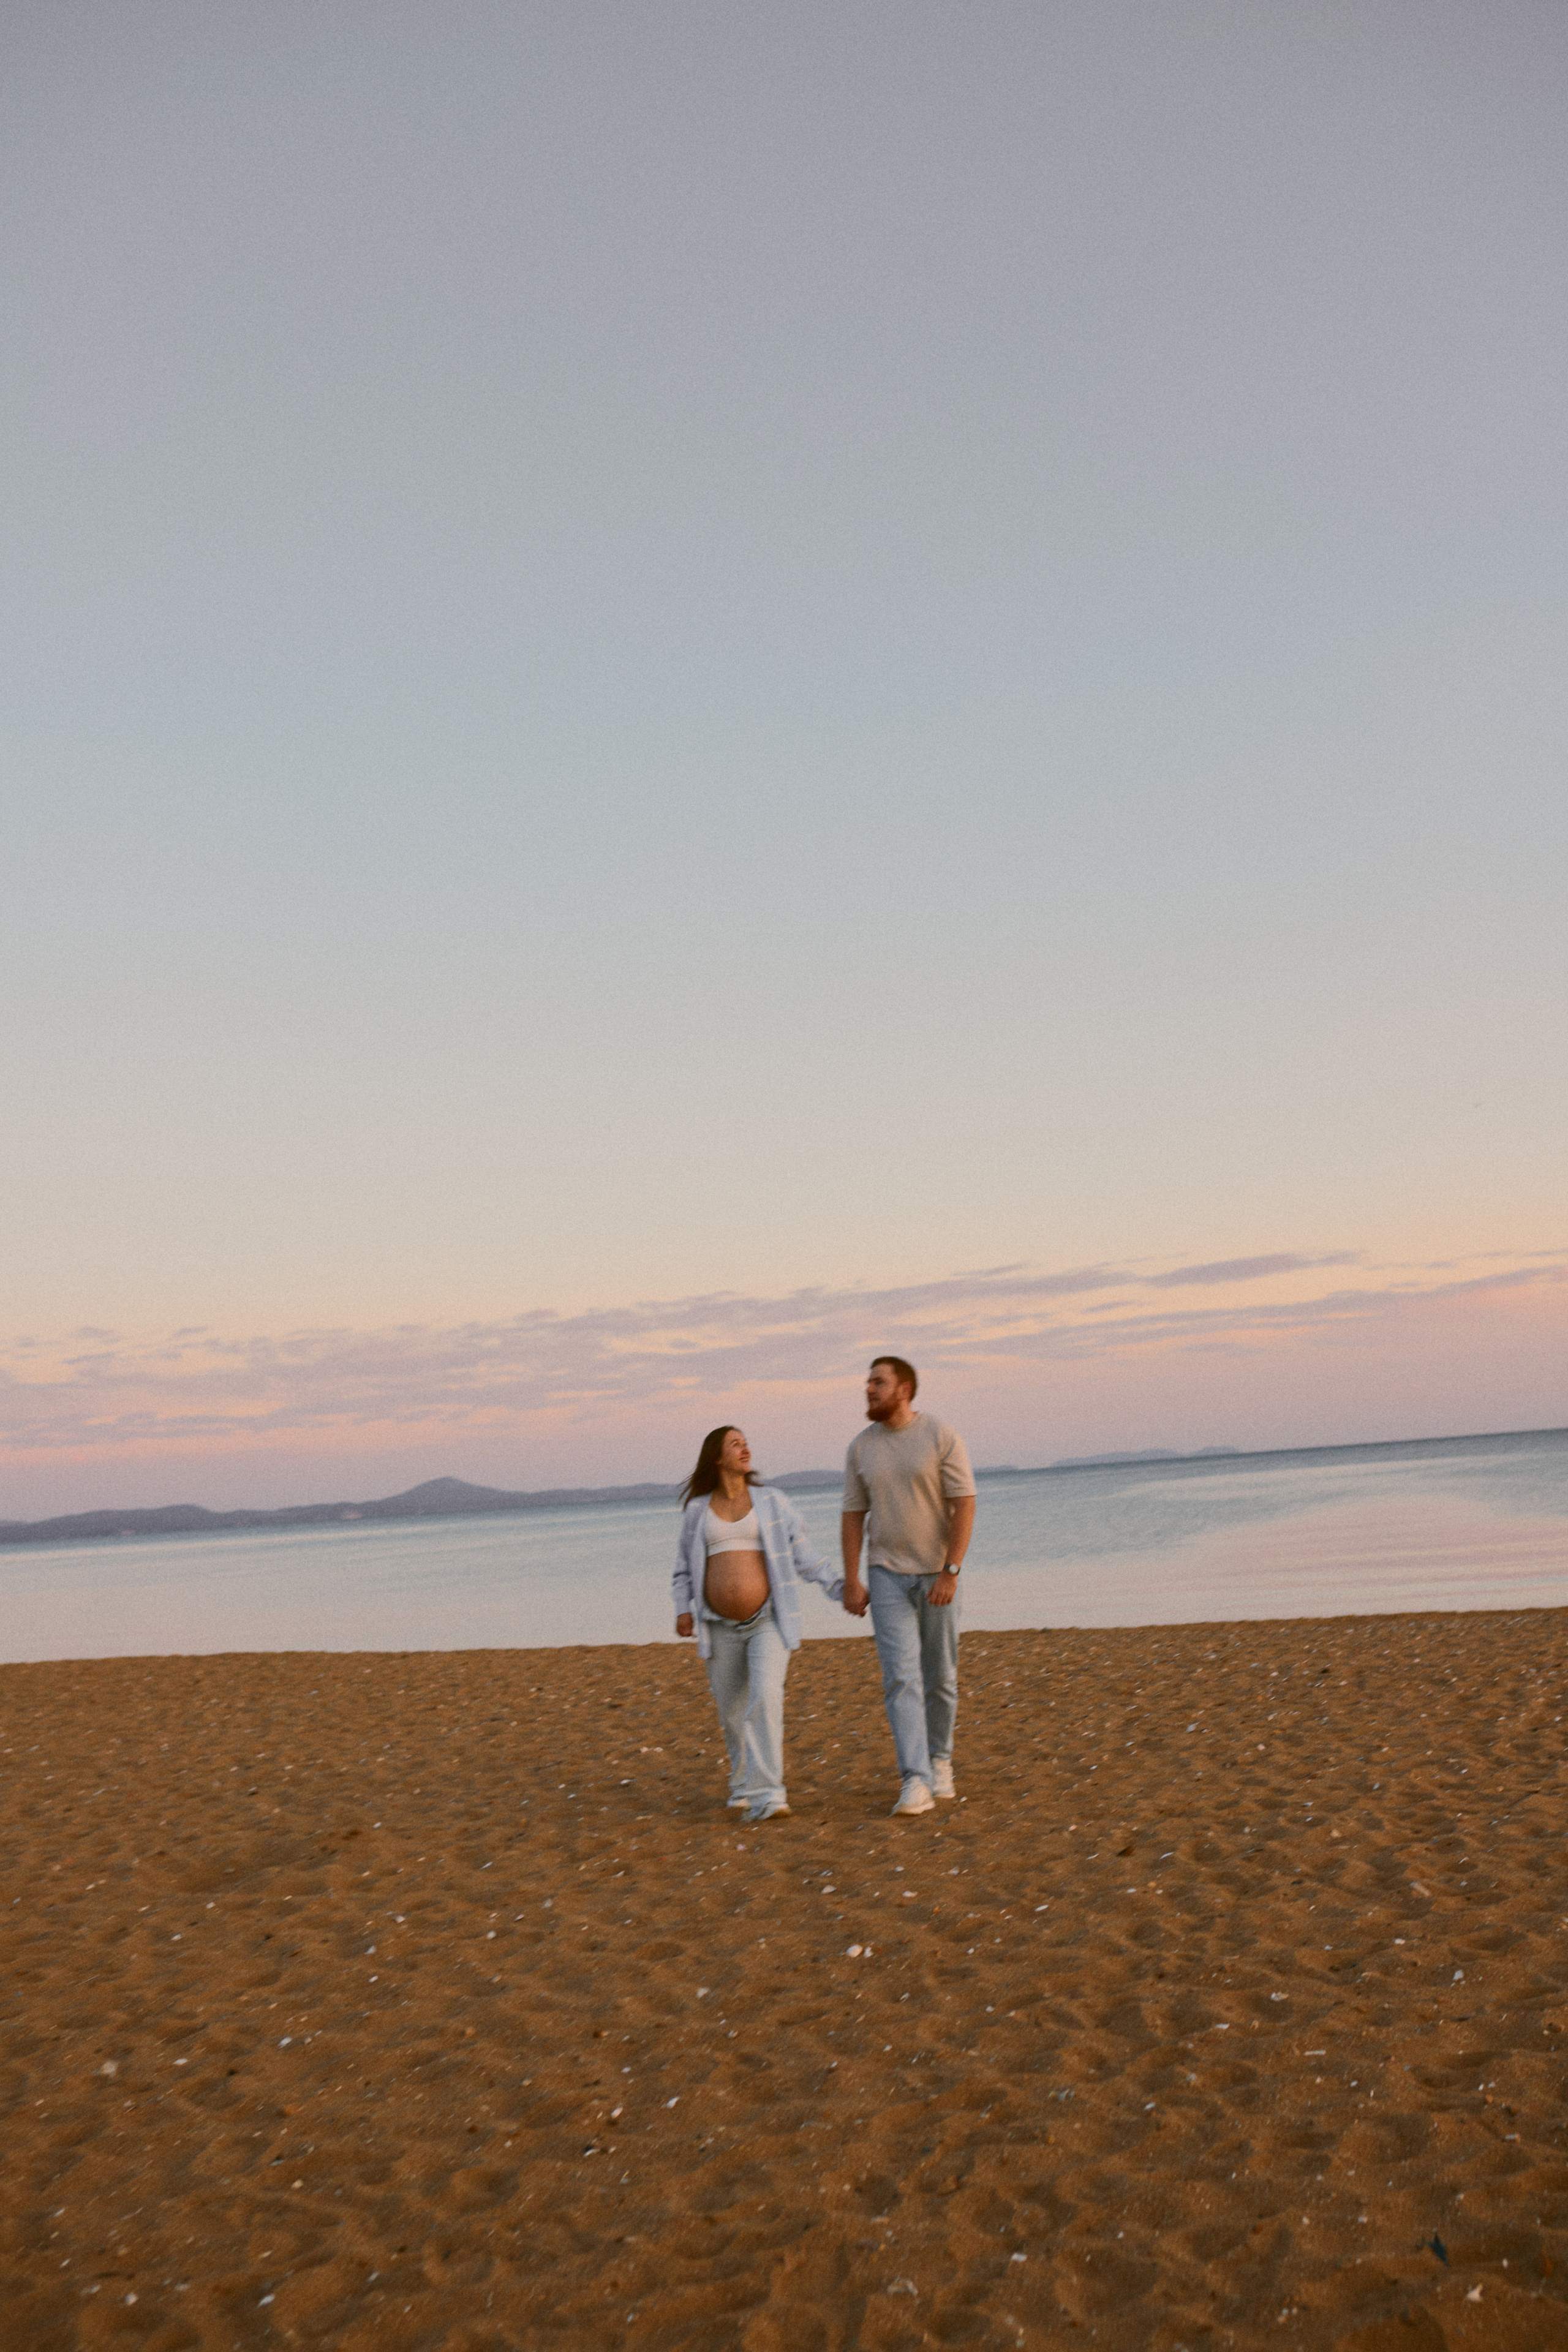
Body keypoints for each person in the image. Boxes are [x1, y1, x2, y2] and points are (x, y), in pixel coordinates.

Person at [673, 1425, 843, 1824]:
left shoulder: (772, 1501)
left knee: (765, 1697)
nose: (745, 1449)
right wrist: (684, 1609)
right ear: (717, 1457)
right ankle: (742, 1787)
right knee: (732, 1713)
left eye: (747, 1443)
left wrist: (838, 1587)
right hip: (718, 1627)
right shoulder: (698, 1510)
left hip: (767, 1620)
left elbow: (804, 1554)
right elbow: (682, 1569)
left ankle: (770, 1796)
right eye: (736, 1444)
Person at [841, 1357, 976, 1816]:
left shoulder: (939, 1435)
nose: (869, 1389)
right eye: (868, 1382)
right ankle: (914, 1780)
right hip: (886, 1574)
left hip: (937, 1574)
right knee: (901, 1677)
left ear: (904, 1389)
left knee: (941, 1675)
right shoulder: (861, 1447)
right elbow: (852, 1516)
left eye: (879, 1382)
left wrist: (951, 1571)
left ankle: (940, 1761)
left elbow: (965, 1504)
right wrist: (853, 1579)